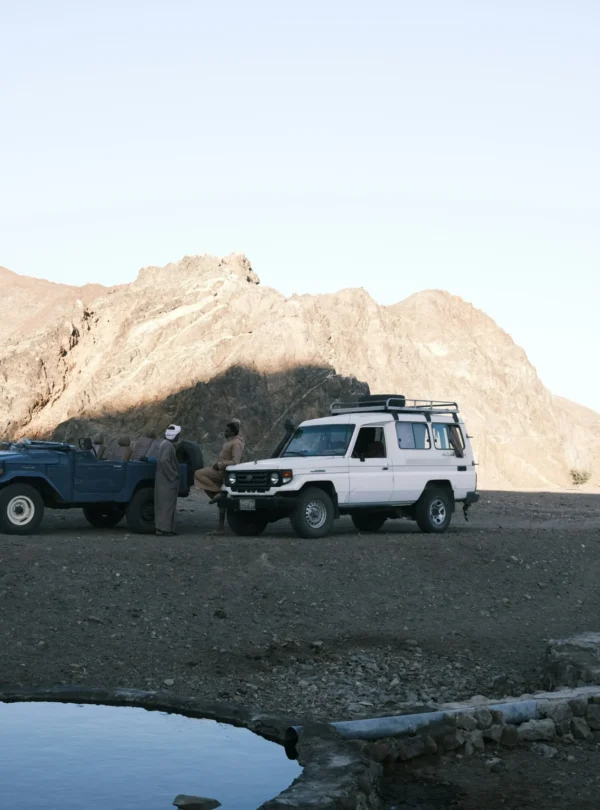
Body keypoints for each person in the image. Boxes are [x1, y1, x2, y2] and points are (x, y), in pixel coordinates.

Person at [155, 424, 181, 537]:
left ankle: (161, 528)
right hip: (167, 481)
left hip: (163, 480)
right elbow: (164, 461)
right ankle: (165, 529)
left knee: (163, 505)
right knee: (167, 505)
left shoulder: (164, 443)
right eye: (178, 434)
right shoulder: (168, 446)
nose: (179, 436)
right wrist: (173, 475)